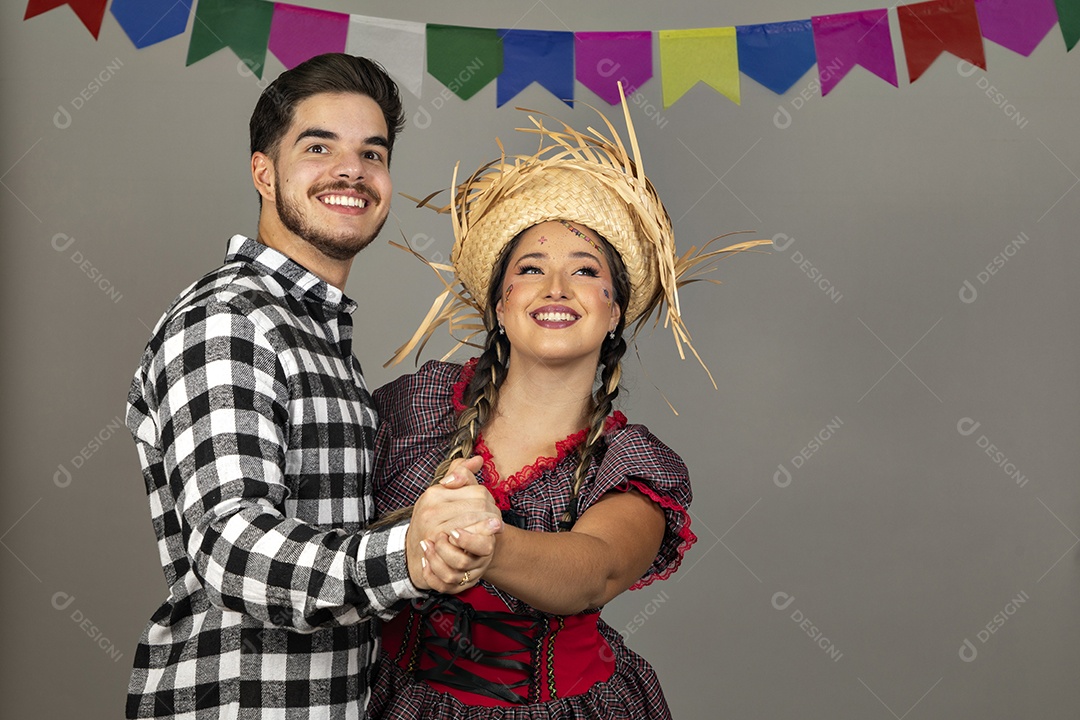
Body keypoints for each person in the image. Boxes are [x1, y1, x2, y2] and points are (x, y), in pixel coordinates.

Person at [367, 89, 768, 717]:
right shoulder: (416, 405)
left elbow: (596, 569)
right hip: (396, 701)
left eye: (585, 271)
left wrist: (486, 542)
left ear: (614, 311)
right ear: (499, 305)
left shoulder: (630, 462)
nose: (556, 287)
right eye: (530, 269)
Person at [124, 53, 501, 720]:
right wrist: (412, 552)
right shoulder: (231, 321)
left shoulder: (313, 334)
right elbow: (232, 545)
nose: (351, 170)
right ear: (263, 172)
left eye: (372, 152)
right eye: (318, 146)